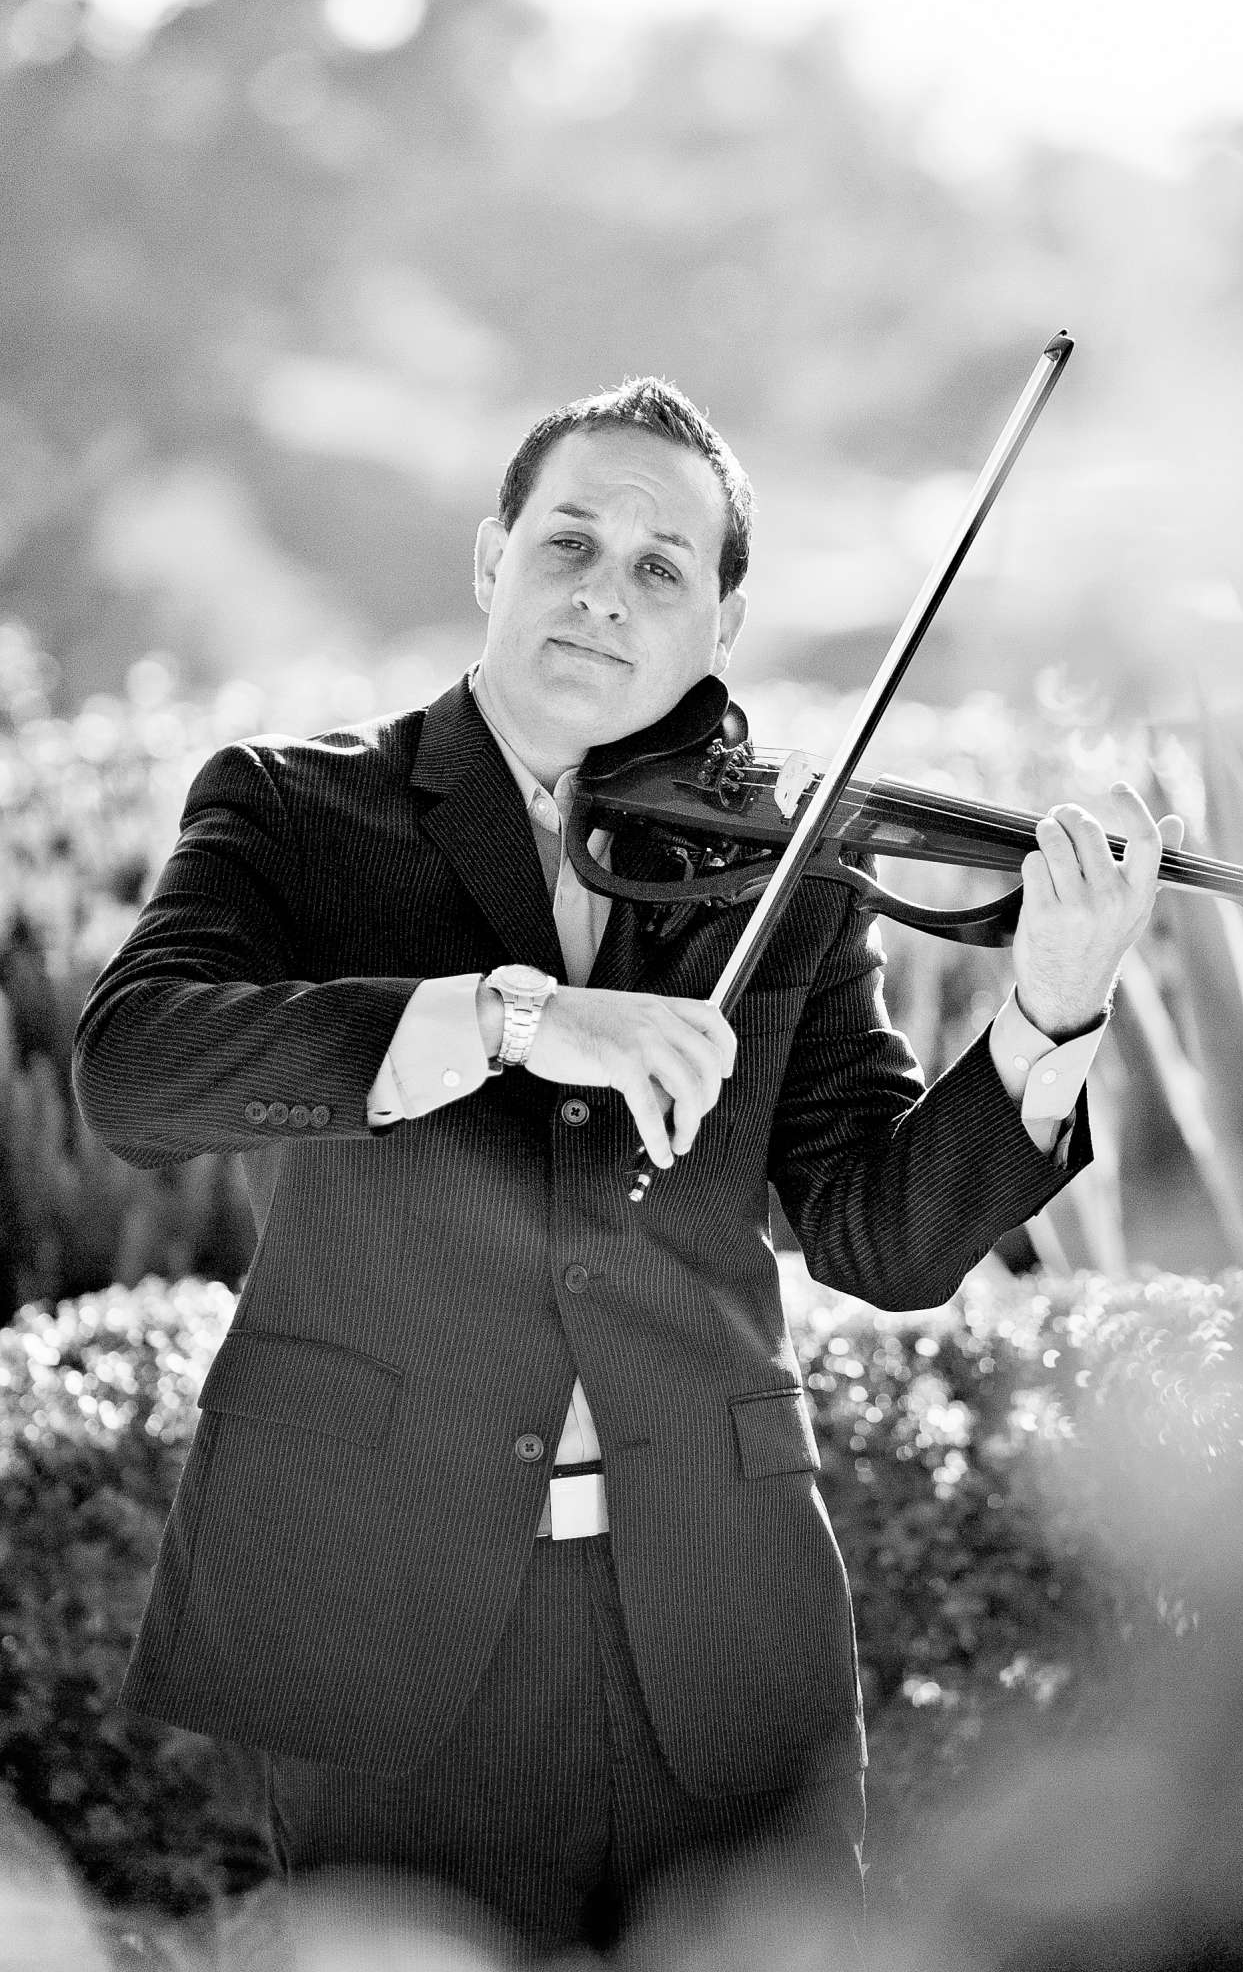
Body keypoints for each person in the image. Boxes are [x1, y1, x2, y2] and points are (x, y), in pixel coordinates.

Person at [73, 379, 1178, 1959]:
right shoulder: (295, 808)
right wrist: (510, 1017)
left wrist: (1051, 1010)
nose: (605, 590)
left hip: (717, 1619)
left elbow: (879, 1238)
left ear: (724, 622)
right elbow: (138, 1069)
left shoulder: (777, 867)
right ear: (490, 560)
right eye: (569, 541)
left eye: (665, 567)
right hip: (386, 1613)